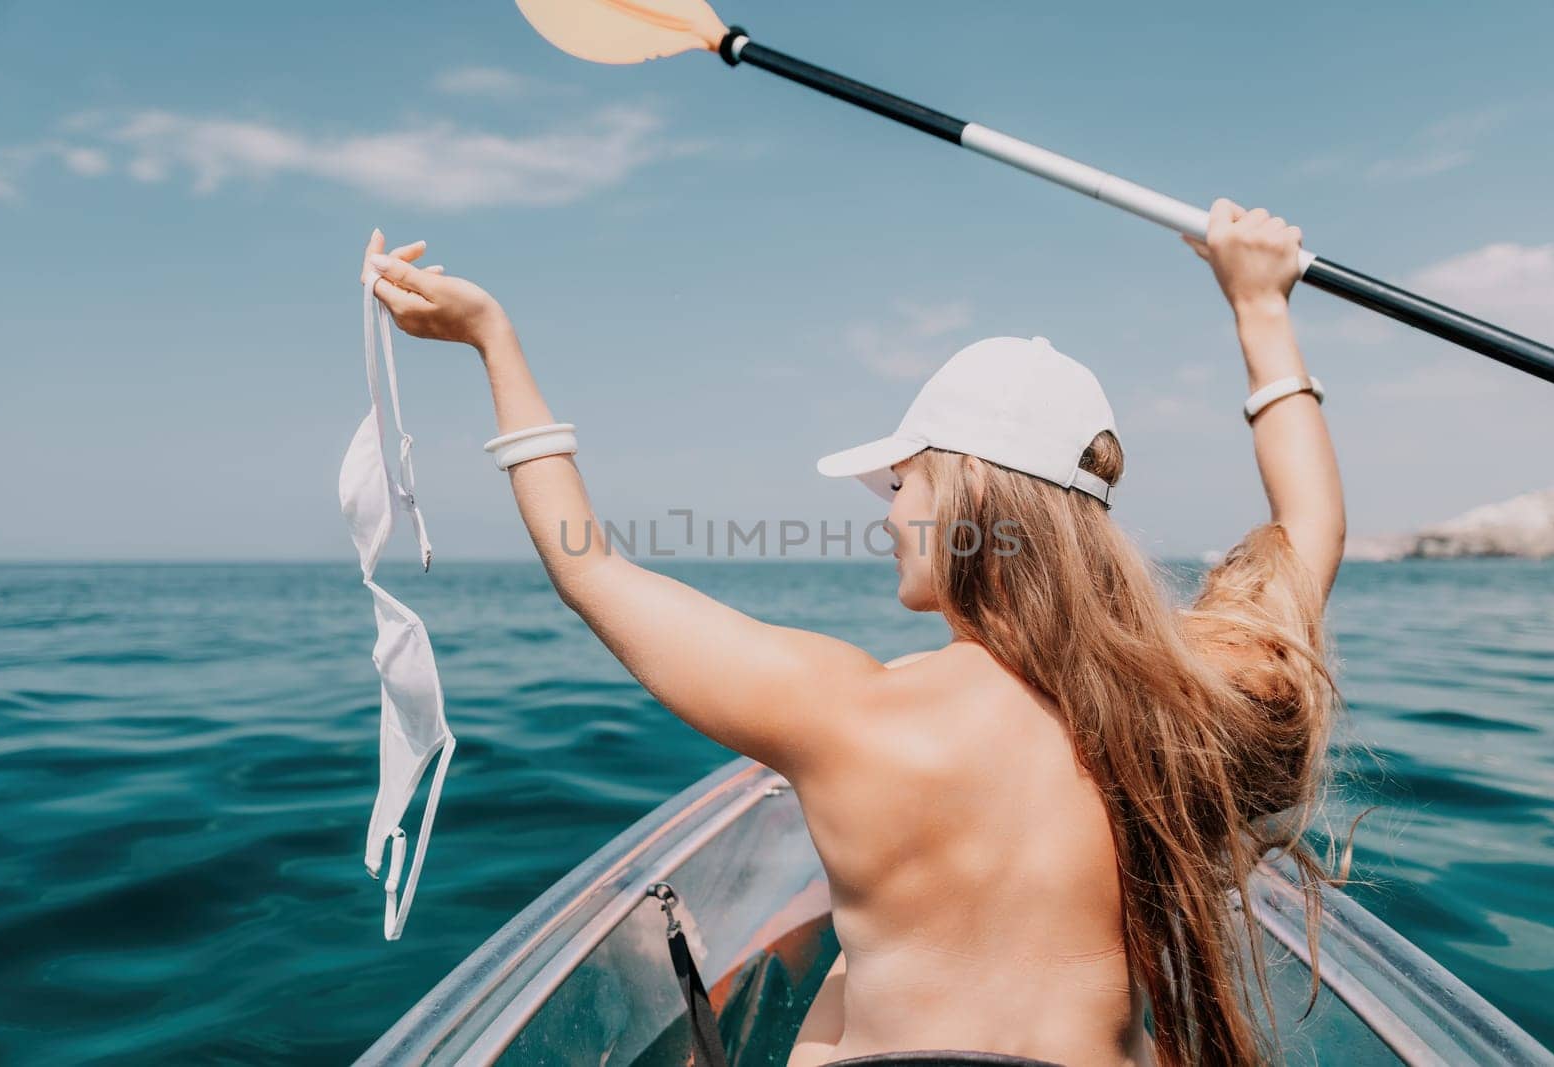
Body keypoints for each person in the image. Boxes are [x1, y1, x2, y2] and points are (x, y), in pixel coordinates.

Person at [358, 196, 1344, 1067]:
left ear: (962, 492)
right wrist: (1261, 308)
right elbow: (1306, 526)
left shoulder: (846, 709)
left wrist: (494, 338)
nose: (885, 513)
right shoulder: (1192, 699)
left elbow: (590, 568)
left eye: (900, 482)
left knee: (833, 997)